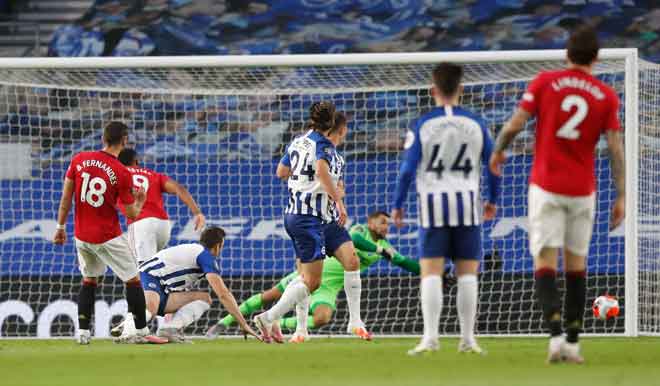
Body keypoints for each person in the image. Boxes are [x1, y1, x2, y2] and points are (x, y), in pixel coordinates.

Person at [489, 26, 625, 364]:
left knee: (545, 262)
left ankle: (554, 338)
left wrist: (498, 151)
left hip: (546, 185)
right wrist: (621, 195)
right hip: (582, 190)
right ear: (596, 58)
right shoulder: (606, 95)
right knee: (576, 265)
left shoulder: (544, 82)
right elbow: (616, 149)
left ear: (567, 54)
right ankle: (574, 344)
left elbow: (515, 123)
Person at [392, 62, 500, 356]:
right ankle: (468, 340)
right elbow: (494, 165)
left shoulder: (423, 124)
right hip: (467, 205)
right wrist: (493, 199)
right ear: (461, 90)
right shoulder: (477, 123)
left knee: (431, 273)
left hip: (433, 207)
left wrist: (397, 206)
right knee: (467, 274)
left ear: (433, 90)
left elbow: (406, 170)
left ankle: (430, 338)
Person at [207, 210, 436, 343]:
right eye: (382, 221)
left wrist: (432, 274)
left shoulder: (386, 247)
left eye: (388, 223)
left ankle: (277, 322)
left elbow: (405, 262)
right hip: (317, 268)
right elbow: (355, 242)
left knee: (322, 318)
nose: (385, 226)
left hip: (331, 286)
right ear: (371, 222)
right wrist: (379, 250)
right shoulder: (358, 231)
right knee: (269, 295)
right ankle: (223, 323)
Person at [253, 106, 371, 343]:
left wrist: (327, 189)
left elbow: (281, 172)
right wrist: (338, 201)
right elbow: (320, 171)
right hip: (307, 218)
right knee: (311, 281)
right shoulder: (324, 147)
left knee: (351, 260)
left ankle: (354, 322)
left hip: (322, 219)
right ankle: (271, 318)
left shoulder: (300, 142)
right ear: (342, 129)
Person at [53, 121, 154, 344]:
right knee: (133, 279)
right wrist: (140, 200)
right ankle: (140, 330)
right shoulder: (121, 171)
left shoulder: (78, 159)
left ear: (103, 139)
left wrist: (60, 227)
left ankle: (82, 332)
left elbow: (66, 197)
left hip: (81, 236)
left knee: (89, 280)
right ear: (125, 141)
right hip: (107, 235)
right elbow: (131, 213)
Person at [112, 226, 261, 343]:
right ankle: (128, 332)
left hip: (163, 288)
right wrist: (243, 324)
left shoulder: (196, 253)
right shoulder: (205, 256)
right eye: (221, 246)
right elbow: (223, 294)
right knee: (151, 307)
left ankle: (169, 329)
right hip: (148, 276)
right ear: (217, 246)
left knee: (204, 298)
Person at [117, 148, 206, 262]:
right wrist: (197, 213)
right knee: (155, 268)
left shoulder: (118, 176)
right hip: (163, 225)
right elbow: (179, 189)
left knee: (144, 268)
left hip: (141, 224)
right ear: (136, 161)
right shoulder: (154, 175)